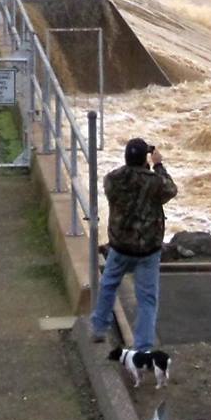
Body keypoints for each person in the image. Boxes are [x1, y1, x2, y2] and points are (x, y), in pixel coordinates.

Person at [89, 136, 176, 352]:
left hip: (119, 245)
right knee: (147, 299)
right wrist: (158, 165)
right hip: (148, 250)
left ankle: (99, 328)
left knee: (108, 285)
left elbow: (126, 179)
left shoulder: (112, 179)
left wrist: (140, 165)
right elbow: (171, 190)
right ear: (144, 159)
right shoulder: (154, 182)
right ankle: (143, 347)